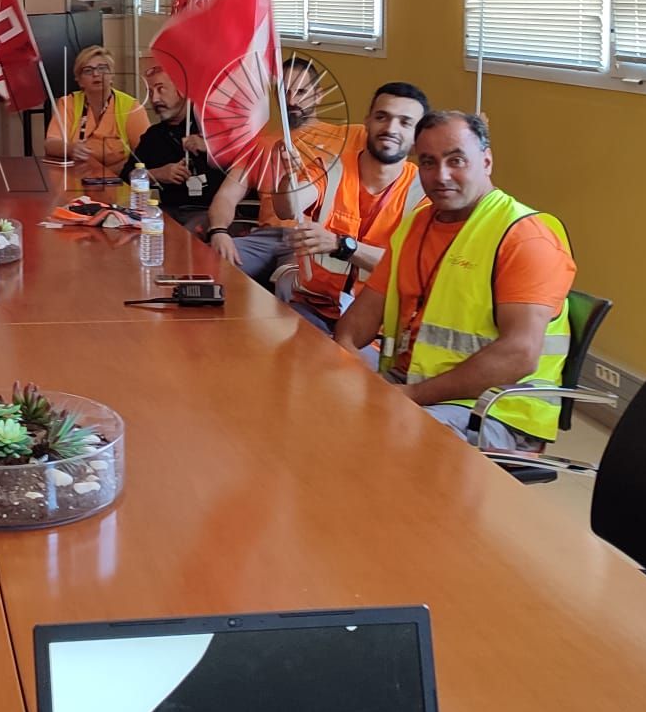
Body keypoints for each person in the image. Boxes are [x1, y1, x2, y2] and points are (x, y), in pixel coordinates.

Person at [333, 111, 577, 453]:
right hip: (412, 387)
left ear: (487, 161)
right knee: (320, 407)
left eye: (456, 160)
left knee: (379, 438)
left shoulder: (524, 236)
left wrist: (410, 397)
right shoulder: (417, 225)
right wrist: (349, 371)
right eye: (429, 162)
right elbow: (357, 321)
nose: (441, 175)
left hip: (492, 411)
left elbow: (520, 354)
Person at [274, 82, 428, 332]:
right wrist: (286, 174)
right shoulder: (331, 167)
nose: (390, 128)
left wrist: (341, 245)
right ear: (367, 122)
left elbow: (408, 270)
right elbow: (288, 208)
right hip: (312, 309)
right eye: (382, 117)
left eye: (405, 122)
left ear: (417, 137)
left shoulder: (425, 194)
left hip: (378, 326)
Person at [204, 55, 340, 284]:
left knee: (292, 282)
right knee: (208, 266)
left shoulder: (345, 137)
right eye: (284, 92)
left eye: (301, 92)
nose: (291, 100)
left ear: (319, 95)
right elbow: (226, 196)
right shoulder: (262, 144)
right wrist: (218, 231)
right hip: (264, 238)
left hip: (310, 238)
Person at [123, 62, 226, 235]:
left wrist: (211, 148)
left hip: (210, 213)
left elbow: (245, 166)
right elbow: (125, 177)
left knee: (180, 238)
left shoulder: (214, 127)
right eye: (150, 92)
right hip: (168, 212)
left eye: (161, 89)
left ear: (182, 90)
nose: (154, 99)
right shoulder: (153, 136)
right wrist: (156, 174)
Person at [44, 46, 148, 172]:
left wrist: (105, 173)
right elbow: (50, 145)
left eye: (102, 68)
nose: (96, 74)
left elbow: (146, 154)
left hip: (118, 179)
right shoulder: (68, 103)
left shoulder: (131, 107)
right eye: (88, 71)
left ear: (112, 75)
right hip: (77, 179)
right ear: (79, 80)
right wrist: (71, 149)